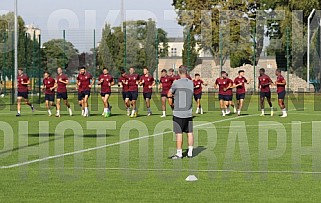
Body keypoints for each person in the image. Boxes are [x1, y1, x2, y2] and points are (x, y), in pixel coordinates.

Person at [168, 65, 194, 159]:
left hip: (178, 112)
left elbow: (169, 93)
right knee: (190, 132)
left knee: (179, 133)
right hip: (188, 112)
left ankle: (179, 153)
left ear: (179, 72)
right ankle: (190, 152)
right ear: (186, 72)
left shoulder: (176, 82)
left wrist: (172, 104)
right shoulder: (191, 83)